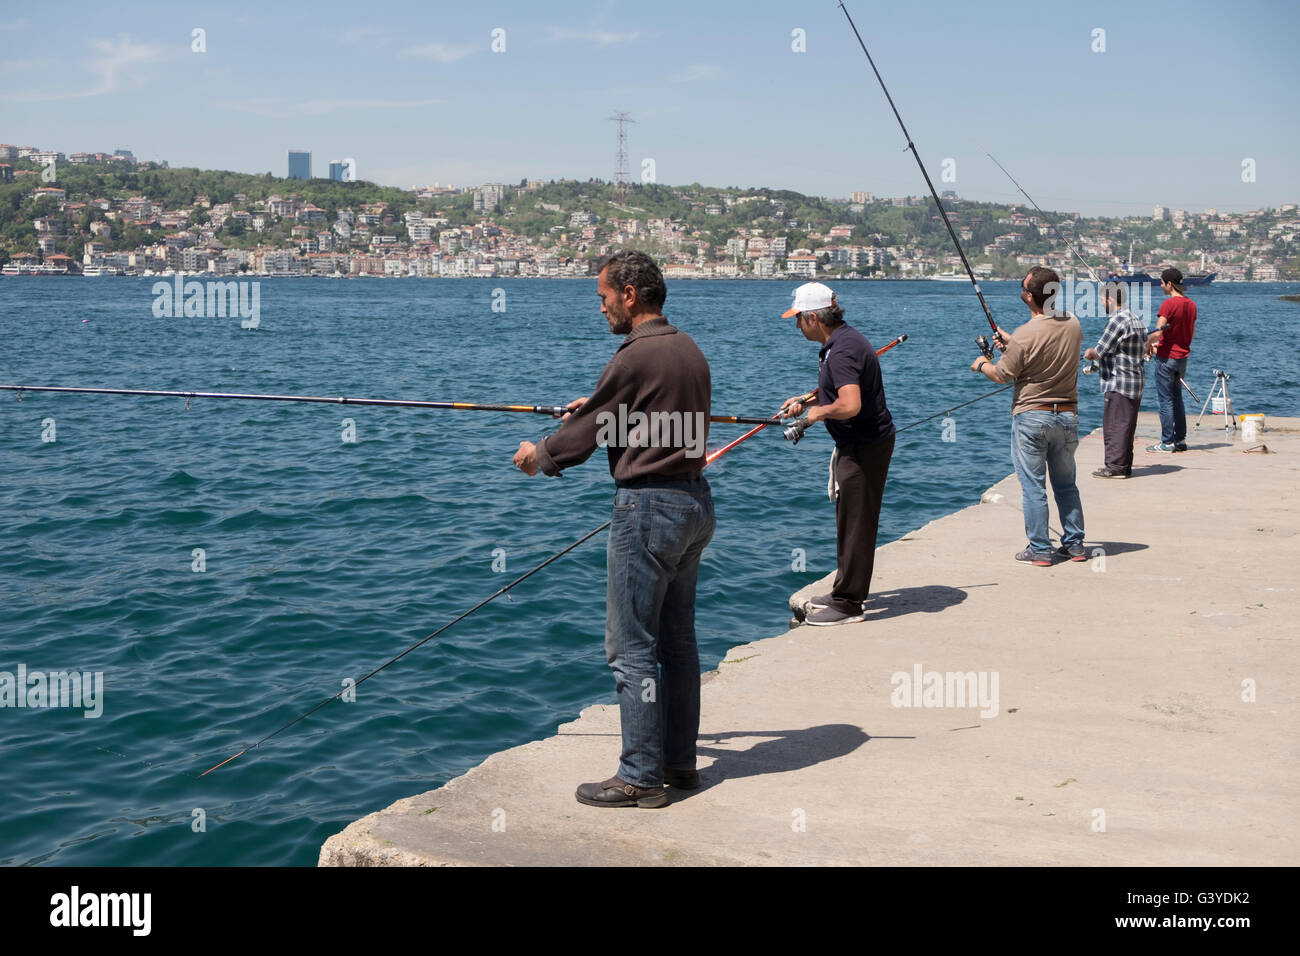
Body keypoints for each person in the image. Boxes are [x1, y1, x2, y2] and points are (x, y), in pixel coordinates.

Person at [512, 250, 714, 809]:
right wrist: (600, 409)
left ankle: (641, 777)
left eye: (603, 297)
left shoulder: (633, 356)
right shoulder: (686, 349)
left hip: (647, 511)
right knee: (677, 645)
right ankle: (679, 763)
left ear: (629, 294)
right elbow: (647, 415)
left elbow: (579, 439)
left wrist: (539, 456)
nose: (600, 308)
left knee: (631, 648)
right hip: (694, 504)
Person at [780, 282, 895, 626]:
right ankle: (844, 588)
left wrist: (818, 414)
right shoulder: (843, 342)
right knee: (848, 519)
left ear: (814, 318)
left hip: (864, 446)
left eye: (798, 319)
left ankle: (848, 605)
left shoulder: (842, 350)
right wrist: (807, 400)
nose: (796, 325)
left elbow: (850, 403)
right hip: (860, 444)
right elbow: (840, 389)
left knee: (857, 523)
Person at [970, 266, 1085, 566]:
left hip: (1033, 417)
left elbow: (1002, 374)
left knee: (1033, 485)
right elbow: (1045, 349)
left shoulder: (1025, 334)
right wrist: (1013, 345)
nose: (1020, 291)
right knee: (1066, 484)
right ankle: (1074, 545)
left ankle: (1040, 549)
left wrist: (981, 364)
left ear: (1030, 297)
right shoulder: (1073, 323)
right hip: (1068, 416)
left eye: (1023, 288)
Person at [1084, 281, 1148, 478]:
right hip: (1135, 381)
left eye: (1102, 299)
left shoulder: (1117, 320)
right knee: (1126, 426)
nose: (1101, 303)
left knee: (1114, 425)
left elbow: (1100, 350)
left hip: (1118, 381)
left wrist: (1089, 353)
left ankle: (1115, 468)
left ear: (1110, 299)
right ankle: (1124, 465)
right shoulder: (1136, 318)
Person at [1147, 266, 1197, 452]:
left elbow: (1158, 332)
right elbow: (1191, 333)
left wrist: (1147, 345)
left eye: (1161, 282)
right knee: (1177, 398)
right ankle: (1180, 440)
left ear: (1169, 284)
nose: (1160, 285)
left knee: (1165, 400)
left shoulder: (1168, 305)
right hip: (1182, 358)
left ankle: (1167, 442)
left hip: (1166, 358)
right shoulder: (1191, 305)